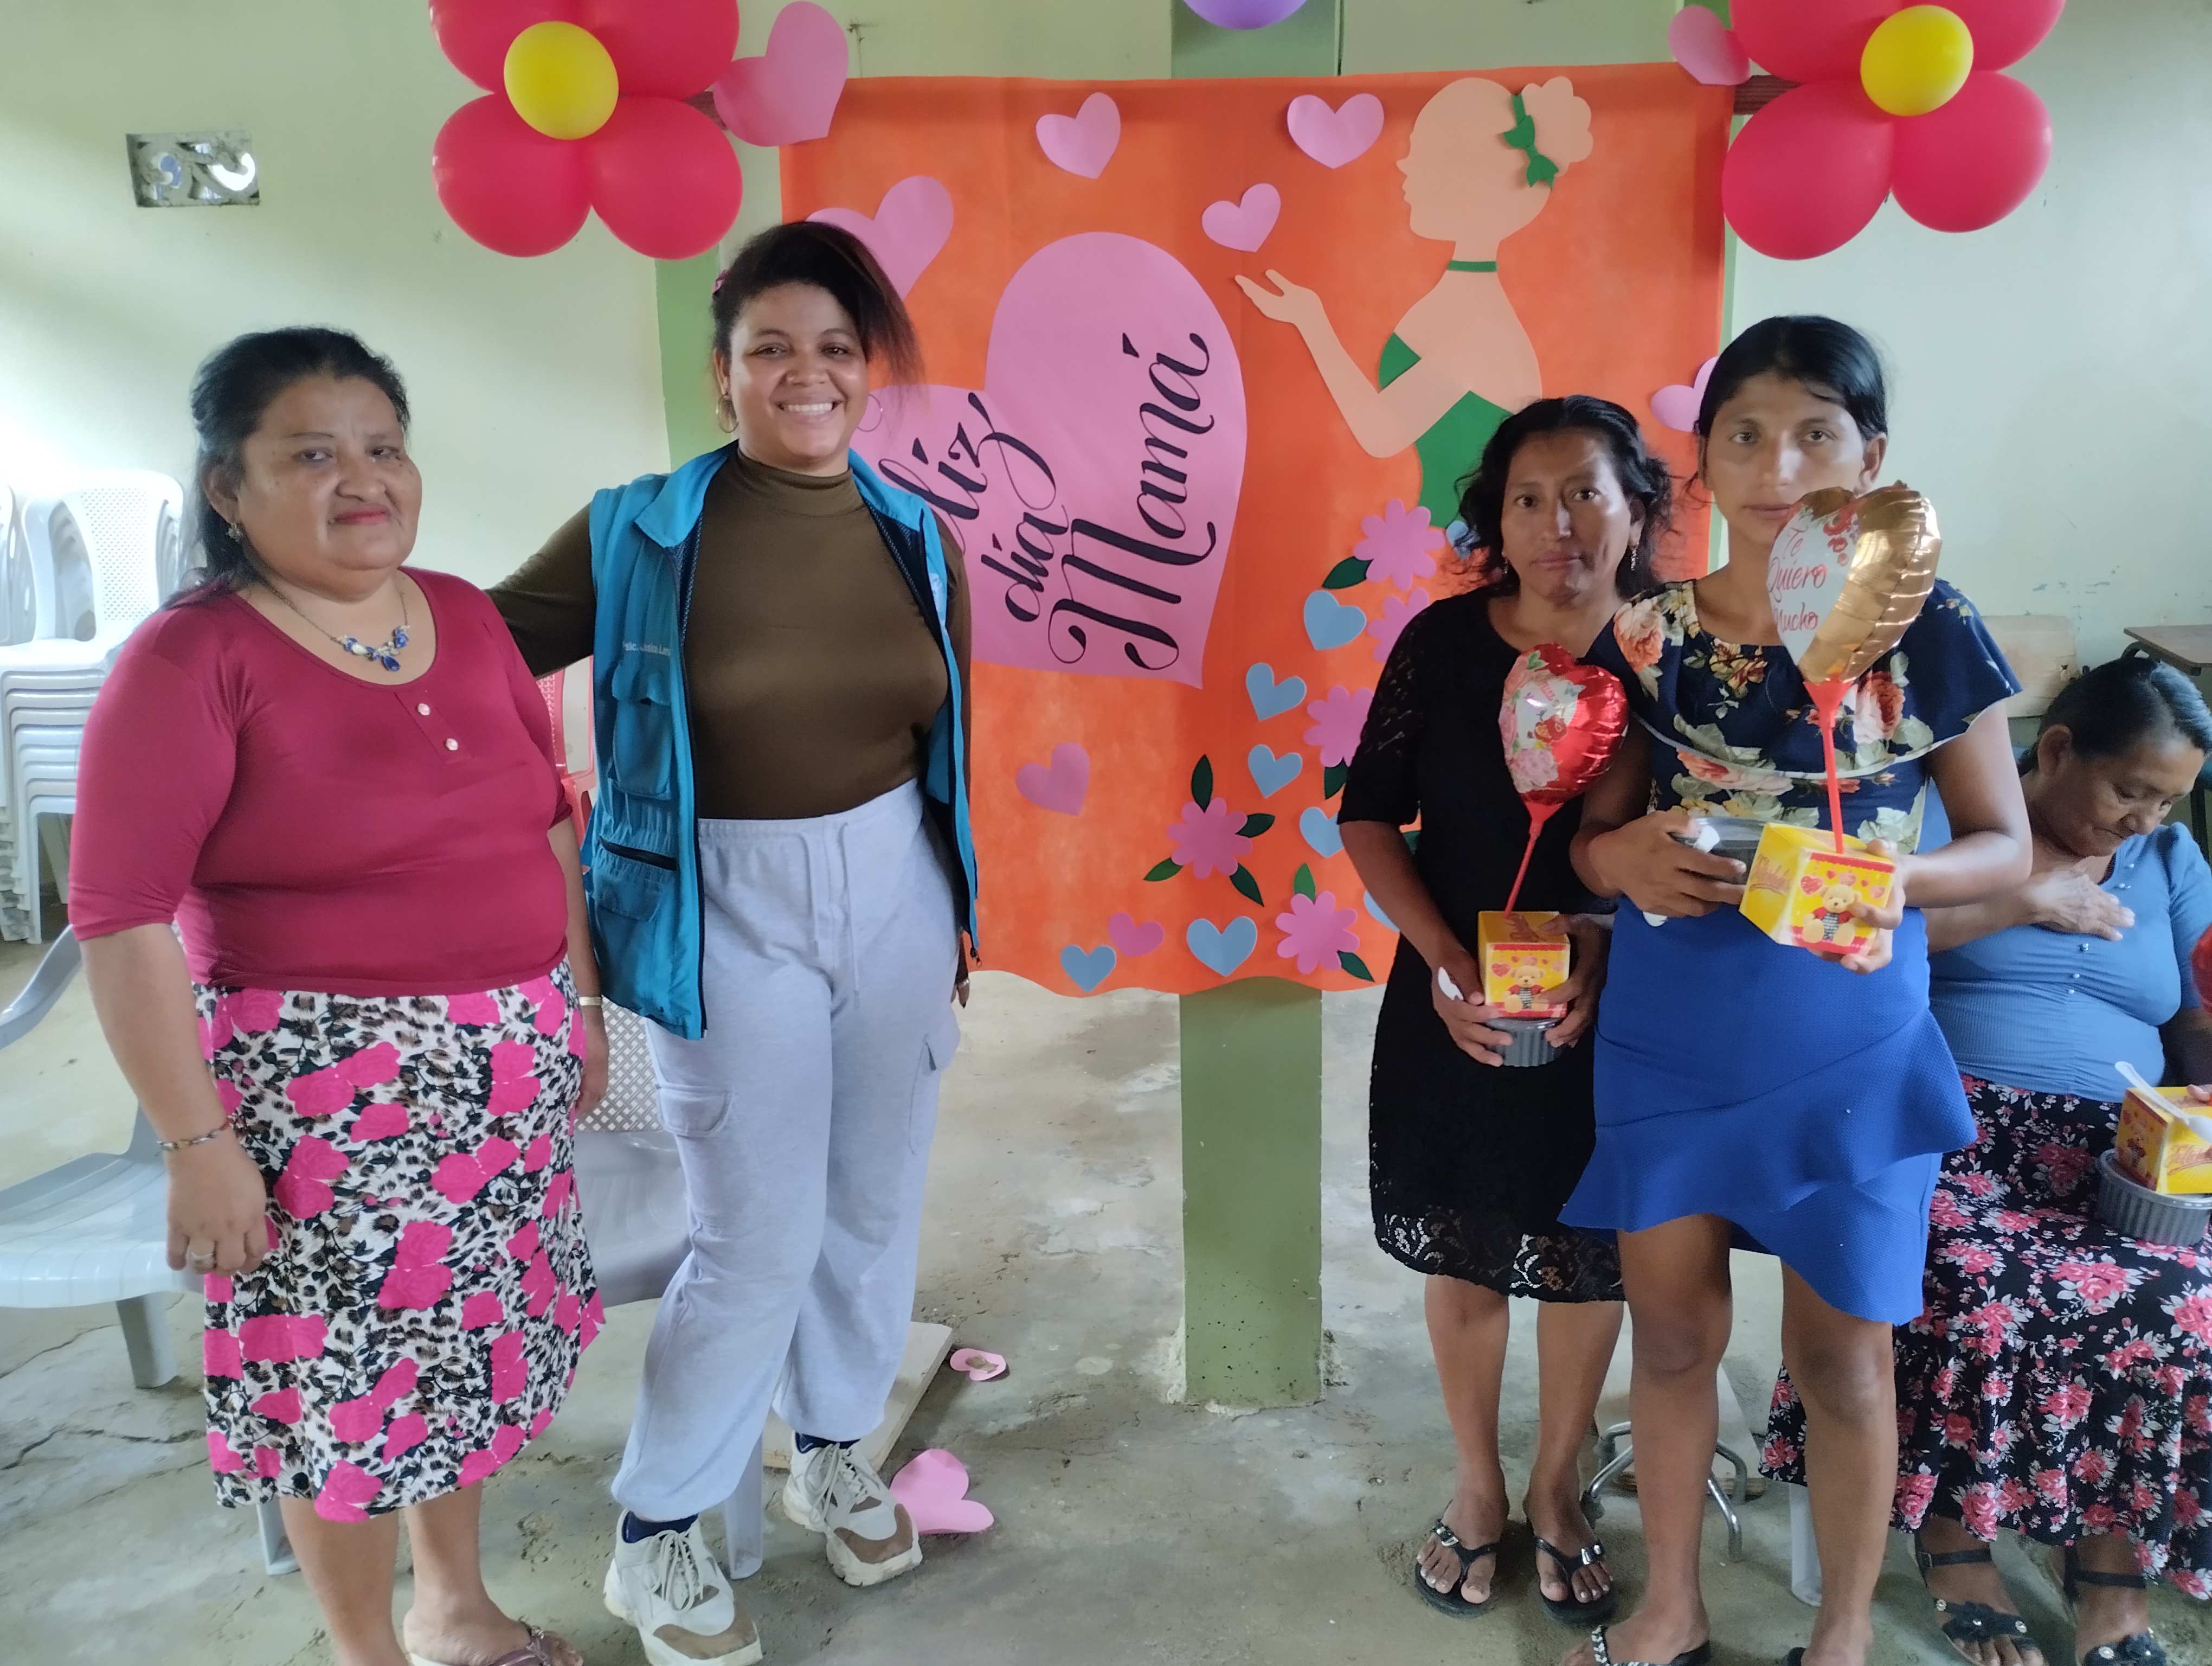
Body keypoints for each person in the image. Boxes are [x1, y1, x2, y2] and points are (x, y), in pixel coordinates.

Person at [69, 328, 605, 1666]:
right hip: (327, 1103)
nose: (363, 479)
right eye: (312, 454)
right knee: (345, 1386)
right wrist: (197, 1144)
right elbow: (120, 917)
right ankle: (370, 1650)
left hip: (505, 1073)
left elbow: (547, 821)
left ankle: (455, 1606)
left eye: (383, 446)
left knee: (457, 1350)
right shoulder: (190, 661)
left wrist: (580, 1010)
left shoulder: (461, 612)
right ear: (227, 487)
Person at [490, 220, 975, 1666]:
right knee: (754, 1233)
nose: (805, 375)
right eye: (771, 349)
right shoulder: (638, 531)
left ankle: (832, 1447)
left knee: (872, 1203)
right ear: (724, 373)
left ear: (867, 370)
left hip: (896, 889)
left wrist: (953, 912)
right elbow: (471, 657)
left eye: (834, 348)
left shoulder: (916, 534)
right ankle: (656, 1529)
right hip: (718, 901)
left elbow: (944, 740)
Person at [1559, 315, 2033, 1666]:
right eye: (1745, 435)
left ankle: (1842, 1630)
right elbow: (1593, 838)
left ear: (1869, 457)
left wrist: (1890, 877)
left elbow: (2002, 846)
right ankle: (1671, 1601)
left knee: (1842, 1362)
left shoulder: (1927, 627)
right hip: (1669, 1036)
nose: (1777, 468)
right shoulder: (1645, 635)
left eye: (1814, 433)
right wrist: (1619, 856)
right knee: (1670, 1339)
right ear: (1704, 458)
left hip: (1847, 1043)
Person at [1766, 656, 2212, 1666]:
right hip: (1951, 1122)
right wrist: (2023, 900)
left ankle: (2109, 1559)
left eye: (2166, 800)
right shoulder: (1944, 821)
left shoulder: (2170, 858)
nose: (2143, 818)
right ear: (2056, 751)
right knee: (1975, 1288)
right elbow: (1857, 941)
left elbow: (2192, 1017)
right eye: (2128, 789)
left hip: (2121, 1148)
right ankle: (1954, 1534)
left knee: (2184, 1298)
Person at [1343, 395, 1672, 1624]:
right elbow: (1368, 814)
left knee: (1589, 1254)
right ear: (1495, 519)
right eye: (1527, 498)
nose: (1555, 523)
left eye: (1584, 491)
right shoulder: (1439, 644)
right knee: (1468, 1243)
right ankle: (1478, 1482)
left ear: (1634, 507)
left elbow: (1705, 836)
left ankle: (1556, 1483)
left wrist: (1605, 942)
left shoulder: (1675, 658)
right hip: (1454, 1002)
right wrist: (1441, 961)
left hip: (1616, 1008)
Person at [1238, 74, 1595, 528]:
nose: (1404, 168)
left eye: (1424, 155)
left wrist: (1313, 324)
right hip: (1438, 537)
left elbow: (1381, 433)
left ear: (1474, 183)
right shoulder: (1463, 297)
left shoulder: (1476, 320)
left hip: (1458, 542)